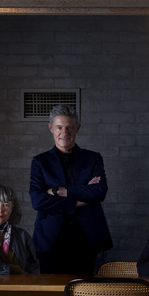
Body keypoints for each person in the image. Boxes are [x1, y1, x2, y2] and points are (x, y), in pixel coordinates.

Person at [30, 103, 113, 275]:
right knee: (51, 295)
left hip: (86, 237)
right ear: (51, 128)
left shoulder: (93, 159)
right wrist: (78, 200)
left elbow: (99, 192)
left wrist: (58, 191)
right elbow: (37, 200)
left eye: (69, 127)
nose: (64, 132)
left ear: (77, 128)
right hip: (50, 239)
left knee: (84, 295)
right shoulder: (40, 162)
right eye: (59, 127)